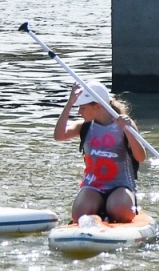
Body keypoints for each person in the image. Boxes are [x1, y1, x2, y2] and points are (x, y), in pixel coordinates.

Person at [53, 83, 146, 223]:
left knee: (121, 212)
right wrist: (69, 102)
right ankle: (99, 212)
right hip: (93, 185)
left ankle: (113, 209)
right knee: (79, 215)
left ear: (98, 106)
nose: (79, 112)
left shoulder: (125, 124)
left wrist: (127, 130)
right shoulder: (84, 126)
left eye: (82, 107)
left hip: (120, 185)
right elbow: (59, 136)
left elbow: (141, 157)